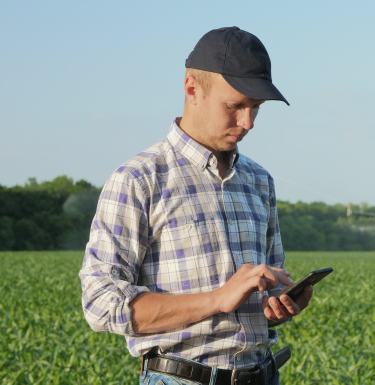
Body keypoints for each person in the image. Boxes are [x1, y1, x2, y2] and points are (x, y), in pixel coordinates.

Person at [79, 26, 313, 385]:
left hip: (263, 375)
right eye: (235, 106)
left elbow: (260, 296)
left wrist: (279, 302)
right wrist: (219, 298)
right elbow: (101, 303)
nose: (247, 122)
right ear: (192, 88)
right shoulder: (140, 179)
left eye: (256, 108)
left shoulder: (259, 181)